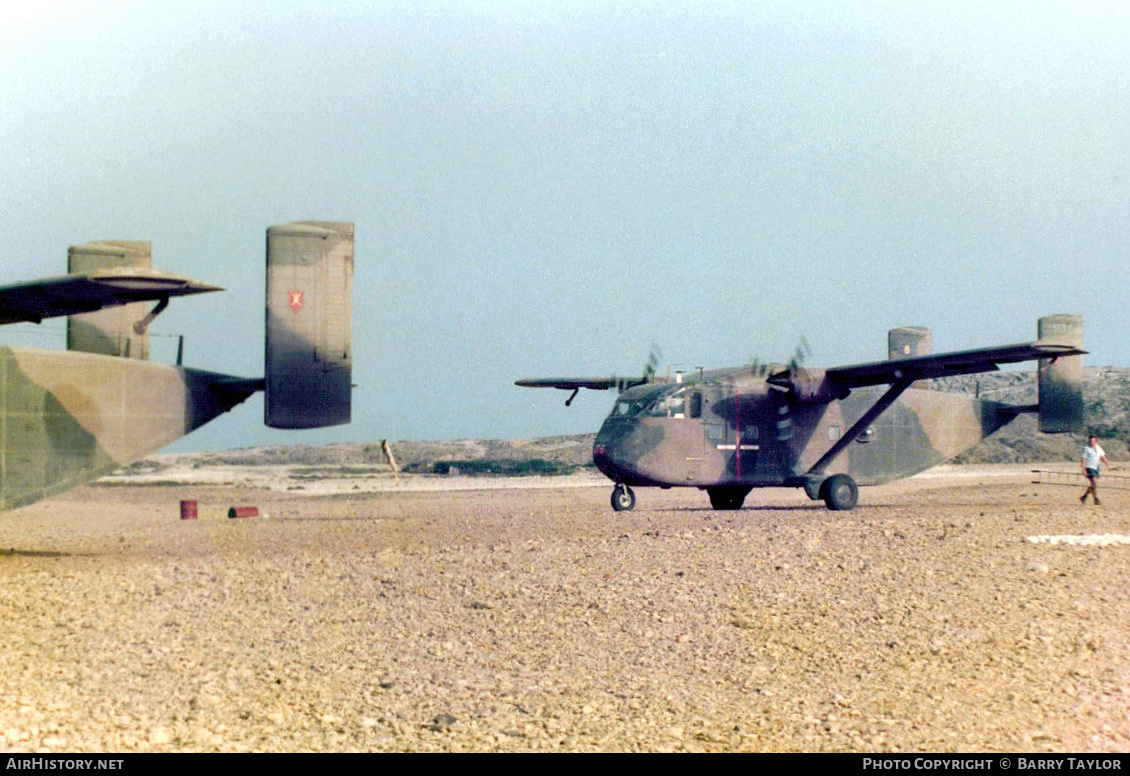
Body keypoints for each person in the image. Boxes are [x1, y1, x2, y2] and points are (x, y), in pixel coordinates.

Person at [1080, 435, 1110, 505]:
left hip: (1096, 468)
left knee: (1093, 484)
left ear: (1096, 442)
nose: (1091, 442)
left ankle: (1084, 496)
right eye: (1090, 441)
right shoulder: (1086, 449)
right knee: (1094, 483)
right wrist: (1084, 469)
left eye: (1093, 441)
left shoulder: (1098, 448)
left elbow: (1102, 457)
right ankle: (1096, 498)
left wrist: (1107, 465)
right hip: (1089, 467)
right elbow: (1083, 460)